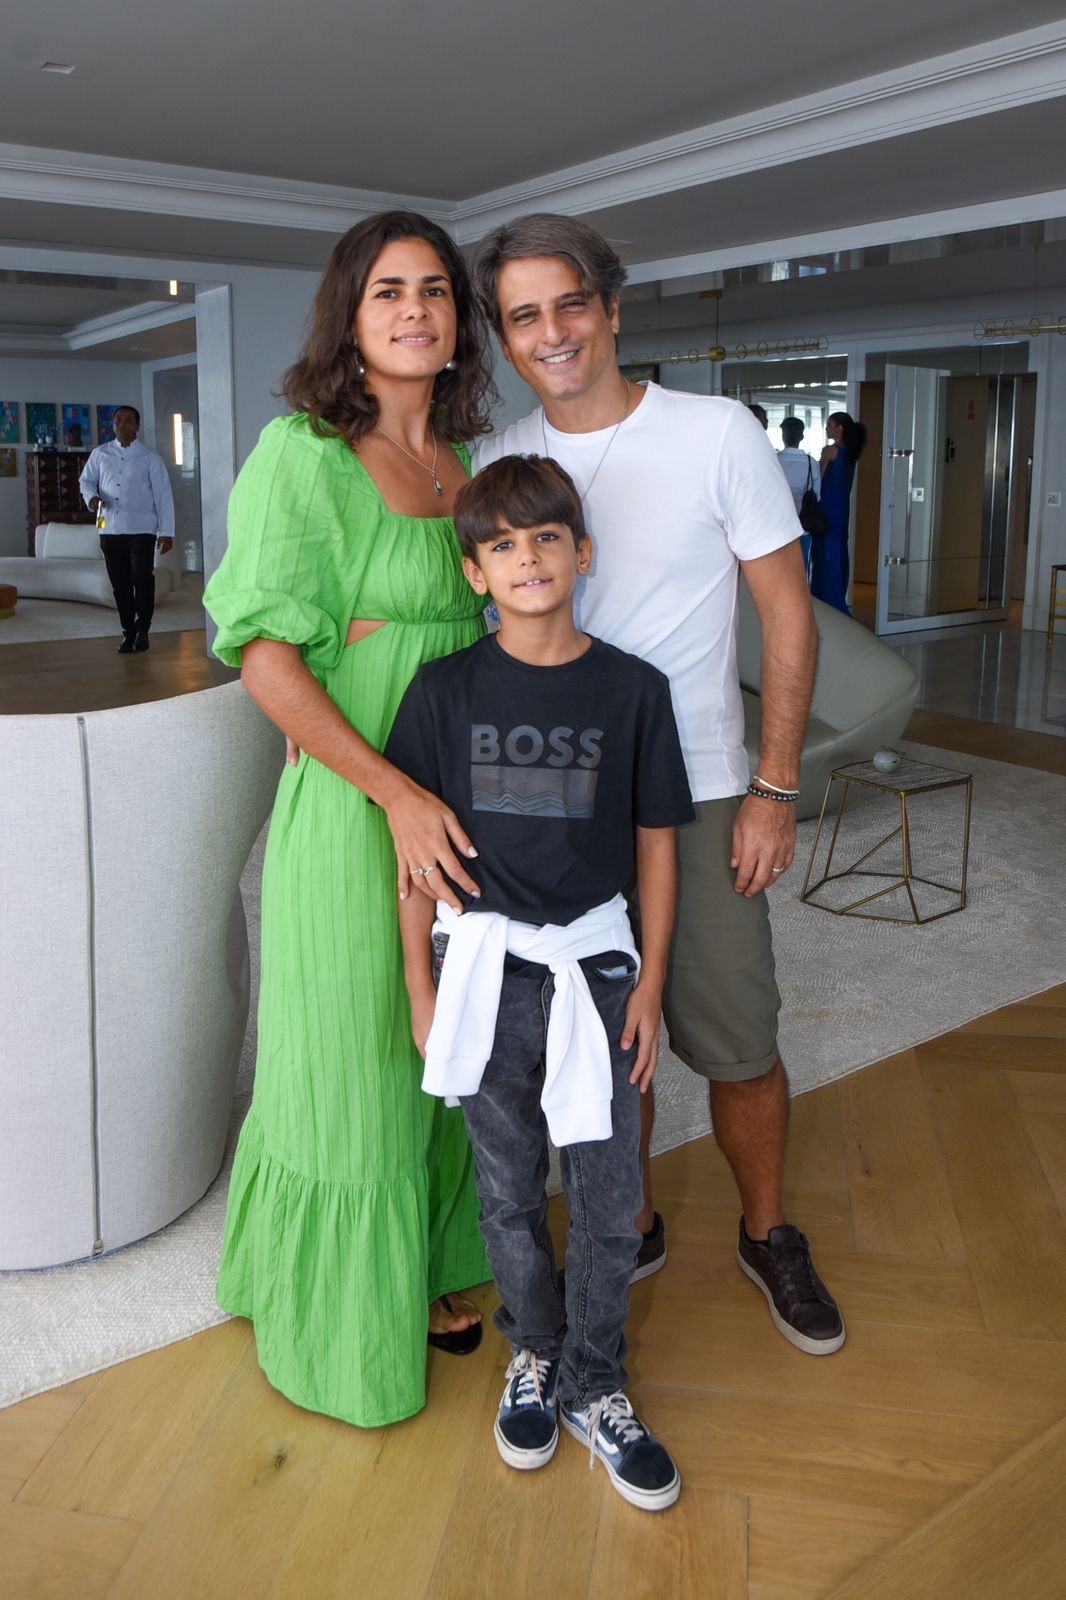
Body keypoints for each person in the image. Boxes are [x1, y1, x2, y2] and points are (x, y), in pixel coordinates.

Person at [471, 214, 845, 1357]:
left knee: (735, 1032)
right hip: (559, 802)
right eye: (523, 315)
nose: (551, 332)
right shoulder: (502, 456)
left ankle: (767, 1229)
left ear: (612, 309)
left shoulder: (714, 432)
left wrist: (774, 784)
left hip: (704, 790)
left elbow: (786, 611)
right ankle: (627, 1222)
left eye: (568, 304)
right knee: (600, 1037)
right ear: (503, 336)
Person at [202, 210, 499, 1429]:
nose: (415, 310)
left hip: (460, 798)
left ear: (457, 319)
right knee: (354, 1051)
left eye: (435, 289)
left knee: (446, 1043)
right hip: (359, 801)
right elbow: (266, 657)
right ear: (350, 314)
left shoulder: (467, 465)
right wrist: (393, 791)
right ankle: (333, 1320)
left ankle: (425, 1259)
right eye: (389, 290)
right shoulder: (305, 453)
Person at [386, 454, 693, 1510]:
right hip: (482, 974)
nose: (527, 559)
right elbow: (413, 860)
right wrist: (422, 991)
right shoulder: (442, 693)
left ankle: (596, 1382)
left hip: (598, 971)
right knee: (509, 1188)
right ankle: (535, 1351)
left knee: (611, 1197)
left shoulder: (634, 690)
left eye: (546, 537)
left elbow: (657, 844)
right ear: (475, 573)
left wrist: (651, 980)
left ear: (582, 553)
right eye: (503, 545)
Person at [79, 405, 175, 652]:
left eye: (128, 421)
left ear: (137, 426)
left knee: (141, 577)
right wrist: (91, 498)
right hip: (109, 527)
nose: (122, 425)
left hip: (142, 527)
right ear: (113, 425)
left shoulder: (150, 458)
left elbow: (163, 496)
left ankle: (143, 629)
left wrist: (167, 532)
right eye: (118, 420)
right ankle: (128, 632)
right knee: (120, 583)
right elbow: (85, 481)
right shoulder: (100, 454)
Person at [813, 410, 867, 615]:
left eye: (830, 424)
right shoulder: (851, 453)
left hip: (827, 509)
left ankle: (829, 602)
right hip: (842, 511)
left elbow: (817, 479)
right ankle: (837, 598)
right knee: (838, 553)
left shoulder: (830, 451)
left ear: (839, 428)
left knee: (825, 555)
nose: (827, 428)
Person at [777, 416, 820, 581]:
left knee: (780, 573)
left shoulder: (774, 460)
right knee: (802, 573)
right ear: (801, 437)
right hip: (803, 526)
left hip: (778, 527)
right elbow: (817, 494)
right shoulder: (811, 463)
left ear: (783, 436)